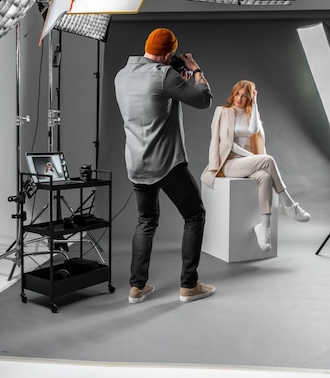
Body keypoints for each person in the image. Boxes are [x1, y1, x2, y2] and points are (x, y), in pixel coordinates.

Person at [114, 27, 216, 304]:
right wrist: (195, 71)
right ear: (169, 53)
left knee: (145, 221)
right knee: (194, 215)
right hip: (167, 163)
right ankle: (189, 285)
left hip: (136, 163)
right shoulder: (164, 76)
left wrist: (174, 82)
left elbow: (153, 105)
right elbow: (204, 99)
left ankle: (136, 288)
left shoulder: (122, 76)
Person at [201, 80, 310, 253]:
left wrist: (256, 104)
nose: (239, 98)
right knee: (268, 160)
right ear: (233, 93)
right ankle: (288, 204)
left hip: (248, 162)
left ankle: (264, 228)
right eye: (237, 94)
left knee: (265, 177)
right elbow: (221, 141)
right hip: (228, 162)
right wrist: (248, 158)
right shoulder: (222, 111)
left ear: (249, 98)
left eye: (245, 96)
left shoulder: (250, 114)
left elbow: (253, 130)